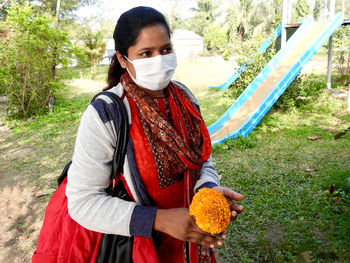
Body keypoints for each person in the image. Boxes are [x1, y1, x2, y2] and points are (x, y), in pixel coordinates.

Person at [66, 6, 244, 263]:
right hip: (139, 248)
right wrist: (158, 219)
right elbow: (82, 202)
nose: (159, 59)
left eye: (166, 50)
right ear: (123, 58)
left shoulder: (185, 98)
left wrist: (208, 190)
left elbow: (202, 158)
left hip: (193, 244)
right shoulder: (106, 114)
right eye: (146, 53)